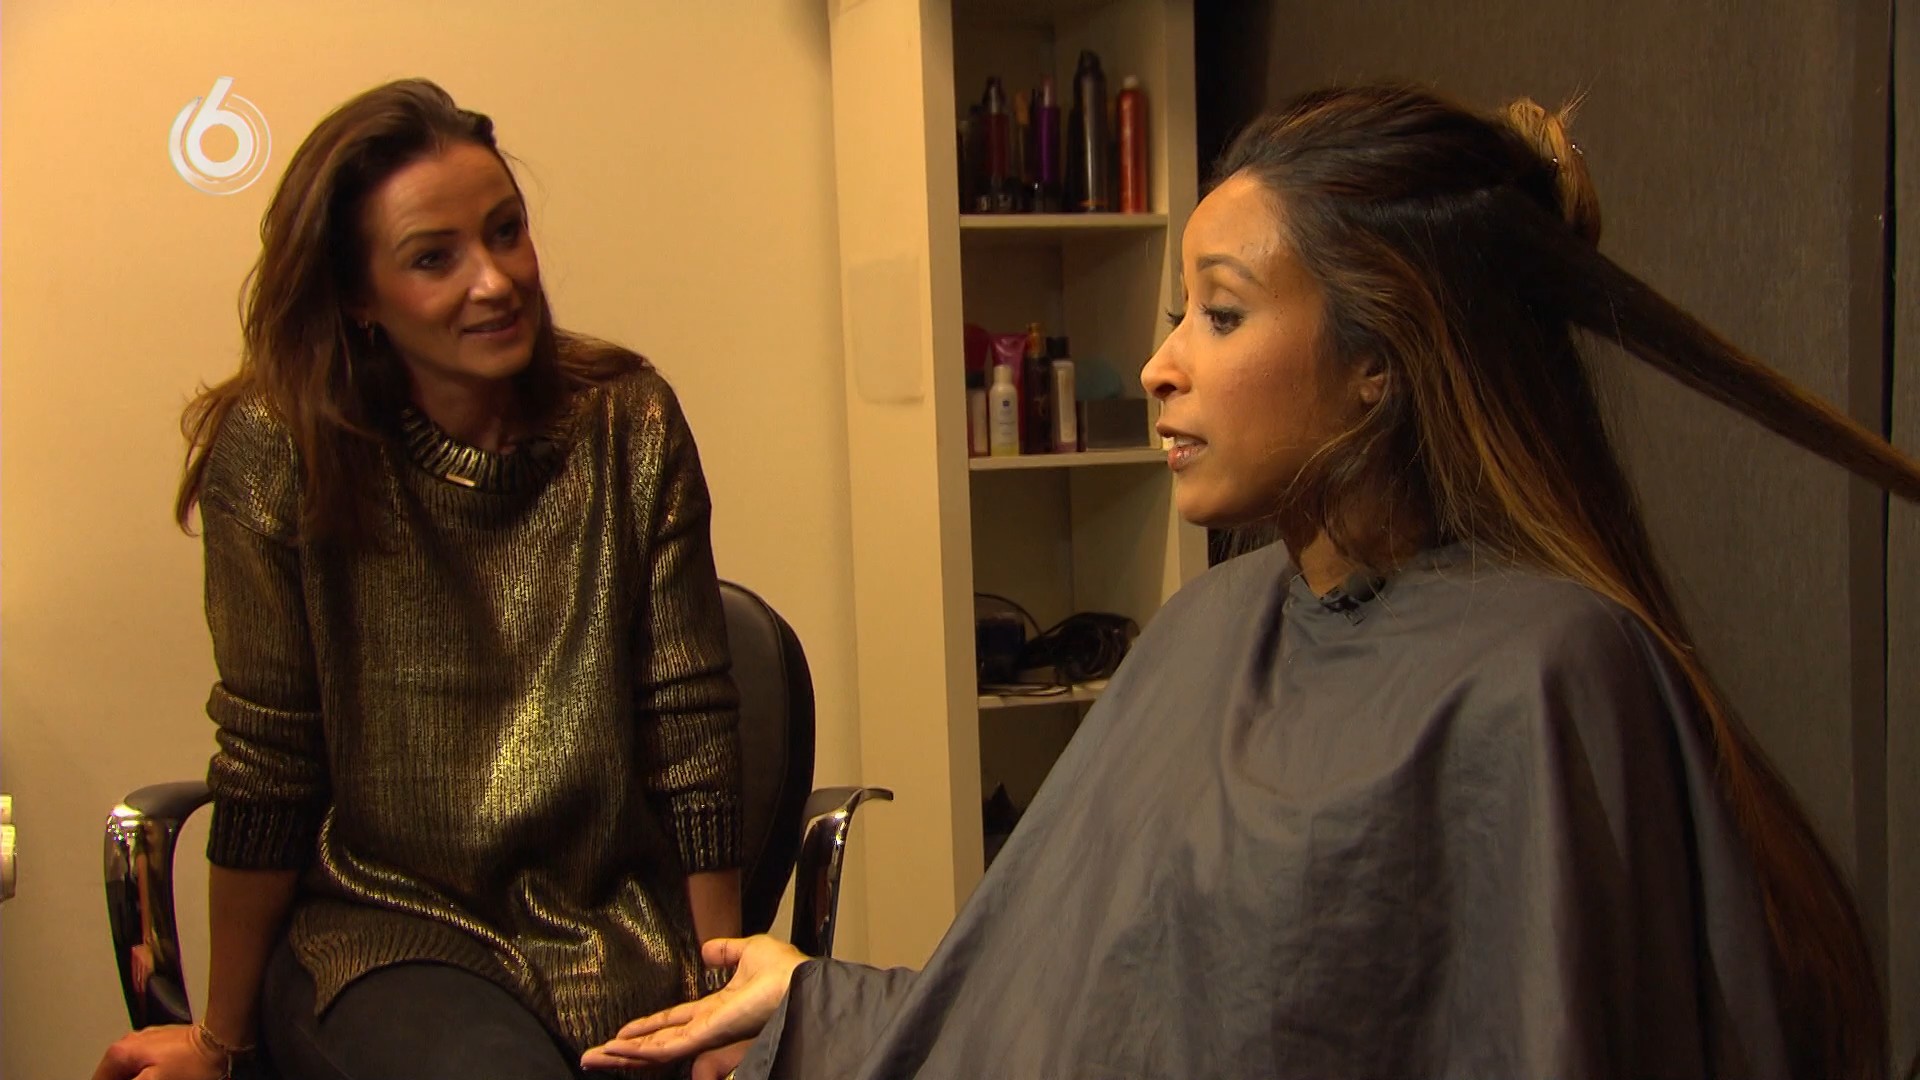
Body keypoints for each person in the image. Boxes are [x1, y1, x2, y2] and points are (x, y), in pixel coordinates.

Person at [583, 84, 1918, 1080]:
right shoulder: (1209, 627)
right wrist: (820, 1004)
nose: (1161, 364)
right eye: (1181, 312)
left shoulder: (1544, 677)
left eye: (1220, 313)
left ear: (1381, 363)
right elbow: (1080, 1009)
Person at [92, 78, 743, 1080]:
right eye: (434, 258)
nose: (496, 281)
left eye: (506, 232)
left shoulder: (629, 420)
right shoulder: (282, 449)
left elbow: (690, 730)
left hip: (612, 933)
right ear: (359, 297)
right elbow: (268, 763)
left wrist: (721, 1002)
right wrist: (221, 1044)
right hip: (383, 934)